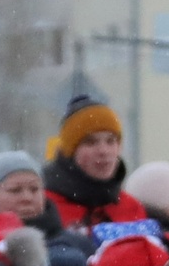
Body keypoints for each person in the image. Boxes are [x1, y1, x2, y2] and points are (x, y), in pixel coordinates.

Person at [42, 94, 151, 233]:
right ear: (70, 152)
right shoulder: (44, 206)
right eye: (90, 142)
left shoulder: (131, 207)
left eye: (111, 141)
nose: (103, 151)